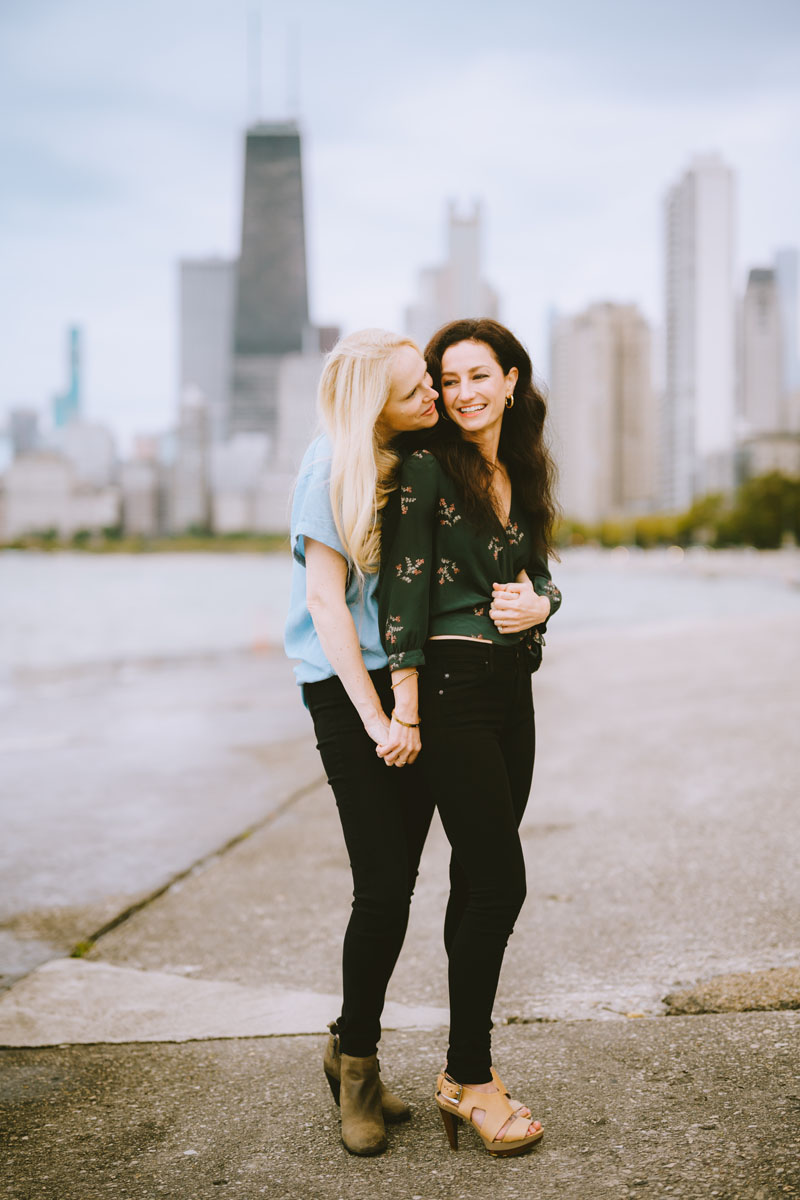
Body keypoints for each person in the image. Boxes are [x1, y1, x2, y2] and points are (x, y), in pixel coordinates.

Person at [378, 318, 562, 1158]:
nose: (461, 394)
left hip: (511, 689)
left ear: (512, 380)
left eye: (477, 376)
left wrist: (543, 606)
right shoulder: (424, 469)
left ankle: (464, 1069)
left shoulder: (522, 468)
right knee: (499, 883)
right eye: (447, 381)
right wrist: (405, 709)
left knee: (476, 882)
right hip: (450, 689)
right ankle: (469, 1080)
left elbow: (542, 577)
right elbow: (400, 594)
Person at [284, 328, 440, 1157]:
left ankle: (349, 1041)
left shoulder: (413, 459)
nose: (432, 397)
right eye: (416, 388)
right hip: (347, 692)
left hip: (409, 686)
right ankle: (357, 1069)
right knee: (381, 885)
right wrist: (378, 717)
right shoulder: (329, 466)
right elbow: (325, 602)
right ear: (372, 403)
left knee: (400, 882)